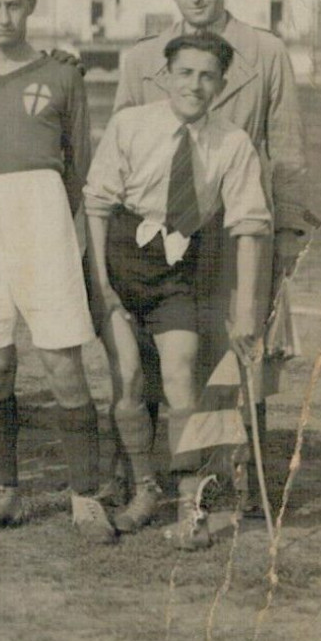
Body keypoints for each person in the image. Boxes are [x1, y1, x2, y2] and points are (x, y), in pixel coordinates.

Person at [113, 0, 319, 507]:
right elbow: (126, 150)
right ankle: (157, 478)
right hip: (163, 235)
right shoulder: (141, 60)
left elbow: (288, 151)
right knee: (163, 357)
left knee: (238, 352)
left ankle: (235, 476)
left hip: (238, 231)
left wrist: (287, 233)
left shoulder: (265, 52)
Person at [0, 0, 116, 543]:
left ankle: (86, 495)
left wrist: (54, 225)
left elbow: (78, 164)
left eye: (15, 4)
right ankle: (3, 491)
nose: (5, 16)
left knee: (63, 360)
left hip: (42, 212)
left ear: (32, 5)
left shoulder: (62, 75)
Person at [85, 32, 271, 549]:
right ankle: (144, 490)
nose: (195, 84)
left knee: (181, 373)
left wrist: (248, 310)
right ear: (166, 76)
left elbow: (249, 227)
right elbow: (97, 207)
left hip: (178, 267)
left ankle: (190, 506)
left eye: (207, 75)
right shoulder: (130, 124)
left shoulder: (232, 143)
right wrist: (102, 285)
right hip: (120, 258)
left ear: (222, 83)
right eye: (185, 73)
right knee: (126, 379)